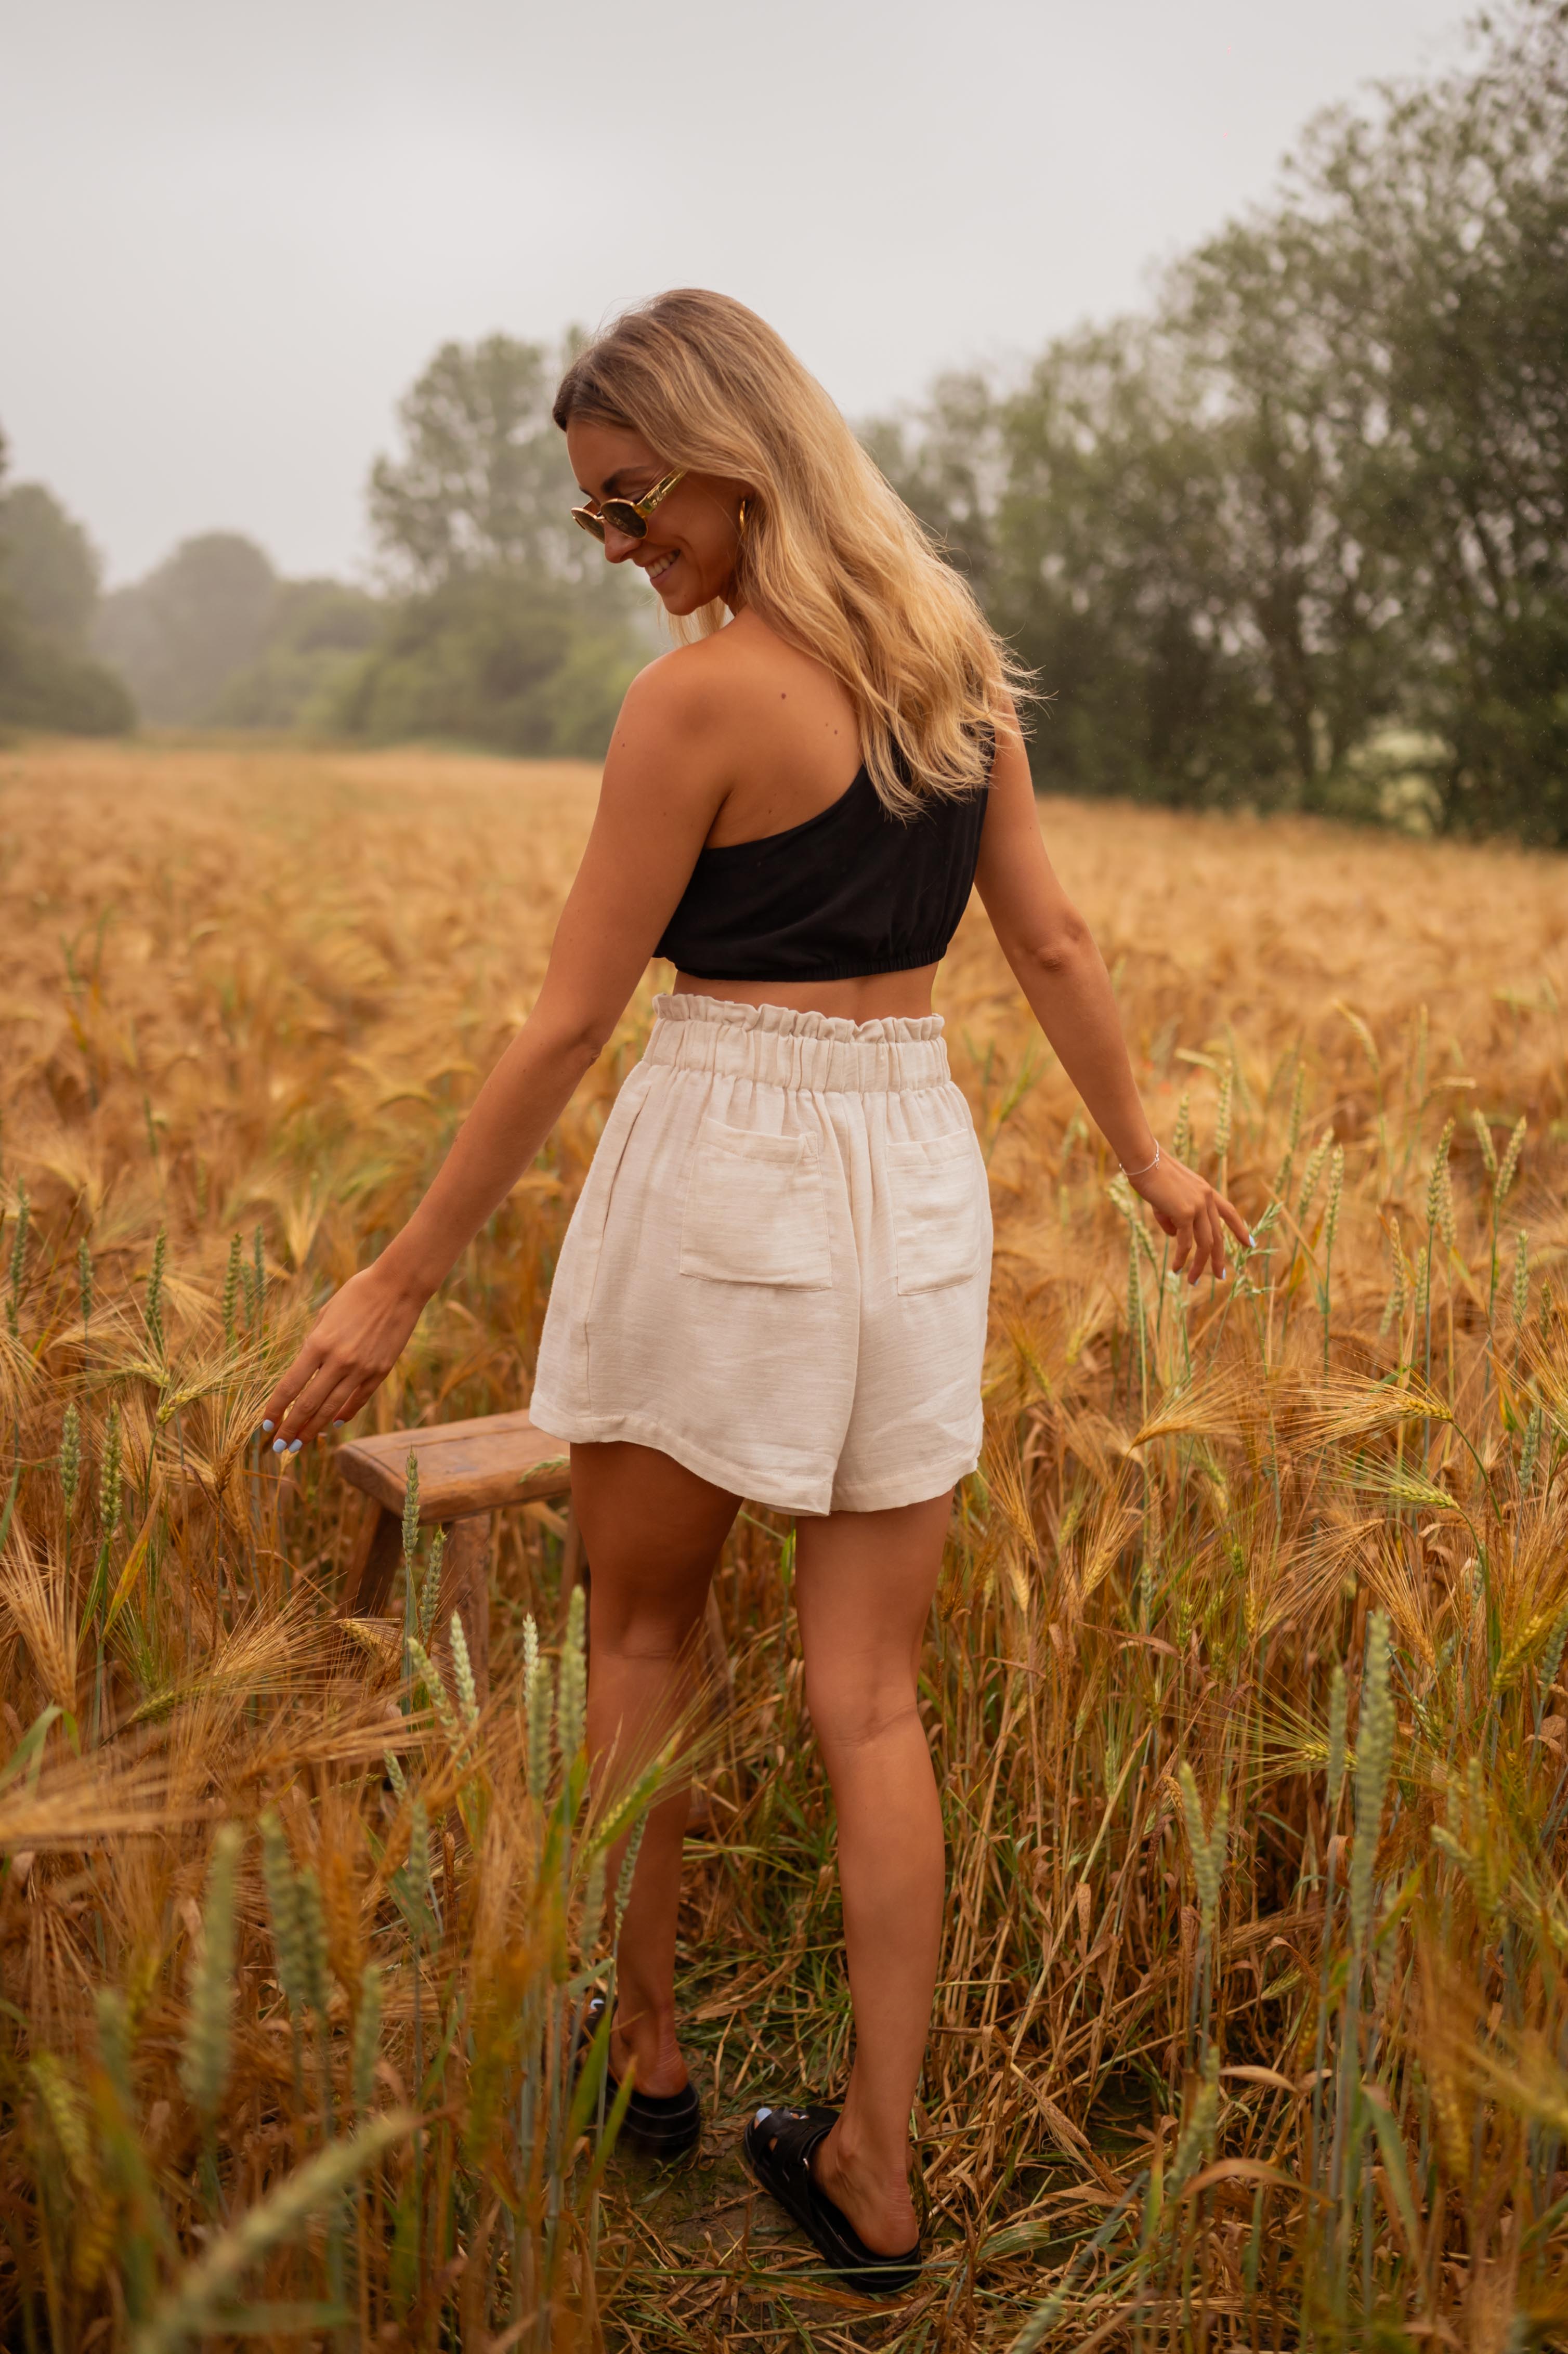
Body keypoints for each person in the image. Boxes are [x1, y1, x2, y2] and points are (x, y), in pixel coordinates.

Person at [258, 288, 1250, 2297]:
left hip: (729, 1153)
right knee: (866, 1701)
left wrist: (391, 1276)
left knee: (639, 1639)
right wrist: (1148, 1158)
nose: (622, 547)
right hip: (920, 1171)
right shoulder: (958, 673)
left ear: (737, 449)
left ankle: (647, 2057)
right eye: (594, 520)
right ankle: (877, 2169)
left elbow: (562, 1027)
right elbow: (1047, 948)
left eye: (635, 501)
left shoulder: (700, 704)